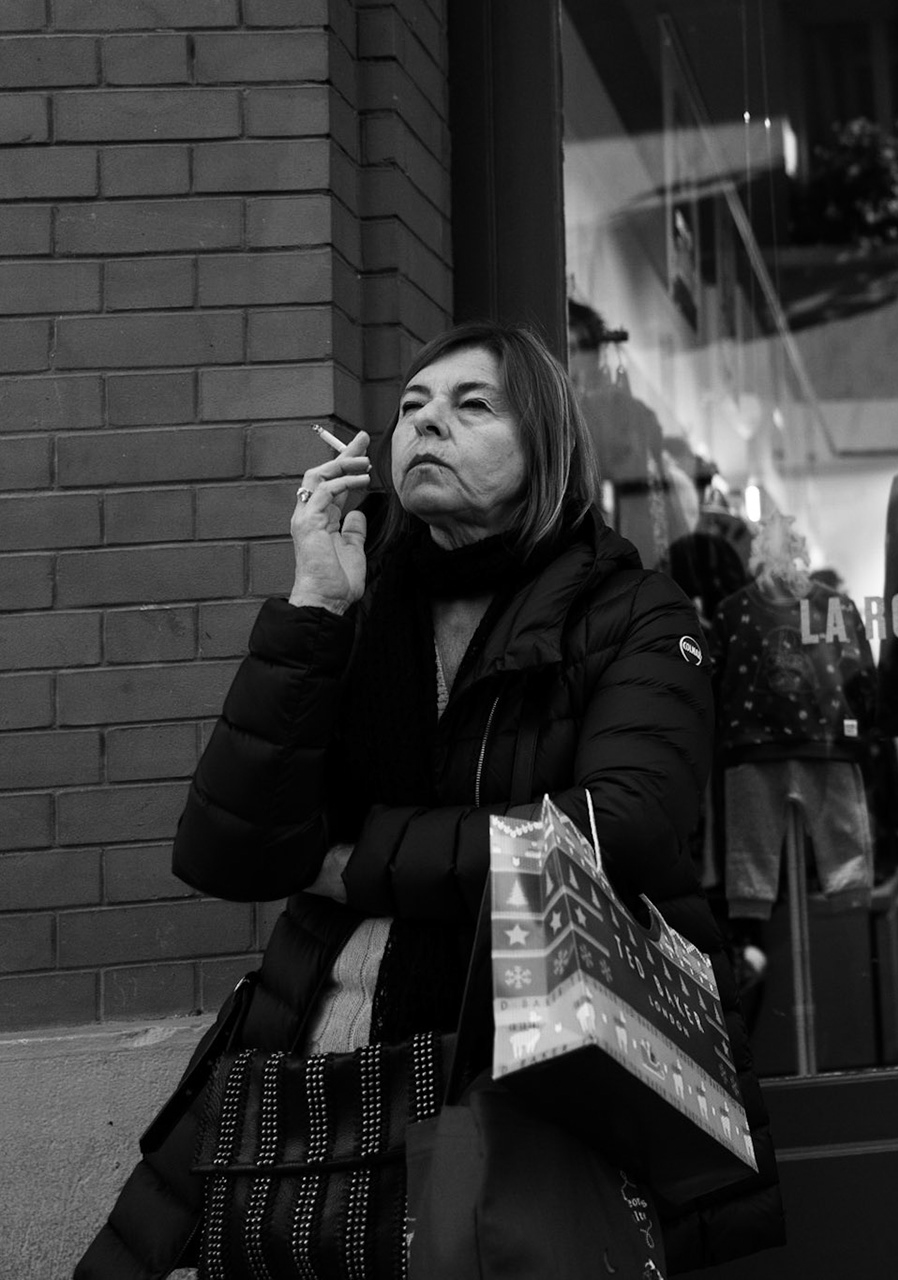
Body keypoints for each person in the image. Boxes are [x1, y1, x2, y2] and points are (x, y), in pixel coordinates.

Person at [79, 323, 781, 1278]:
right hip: (315, 1066)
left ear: (547, 449)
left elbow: (621, 824)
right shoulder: (358, 605)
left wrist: (354, 861)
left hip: (533, 1081)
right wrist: (314, 606)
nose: (427, 426)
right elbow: (228, 852)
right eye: (412, 409)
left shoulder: (635, 614)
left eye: (472, 406)